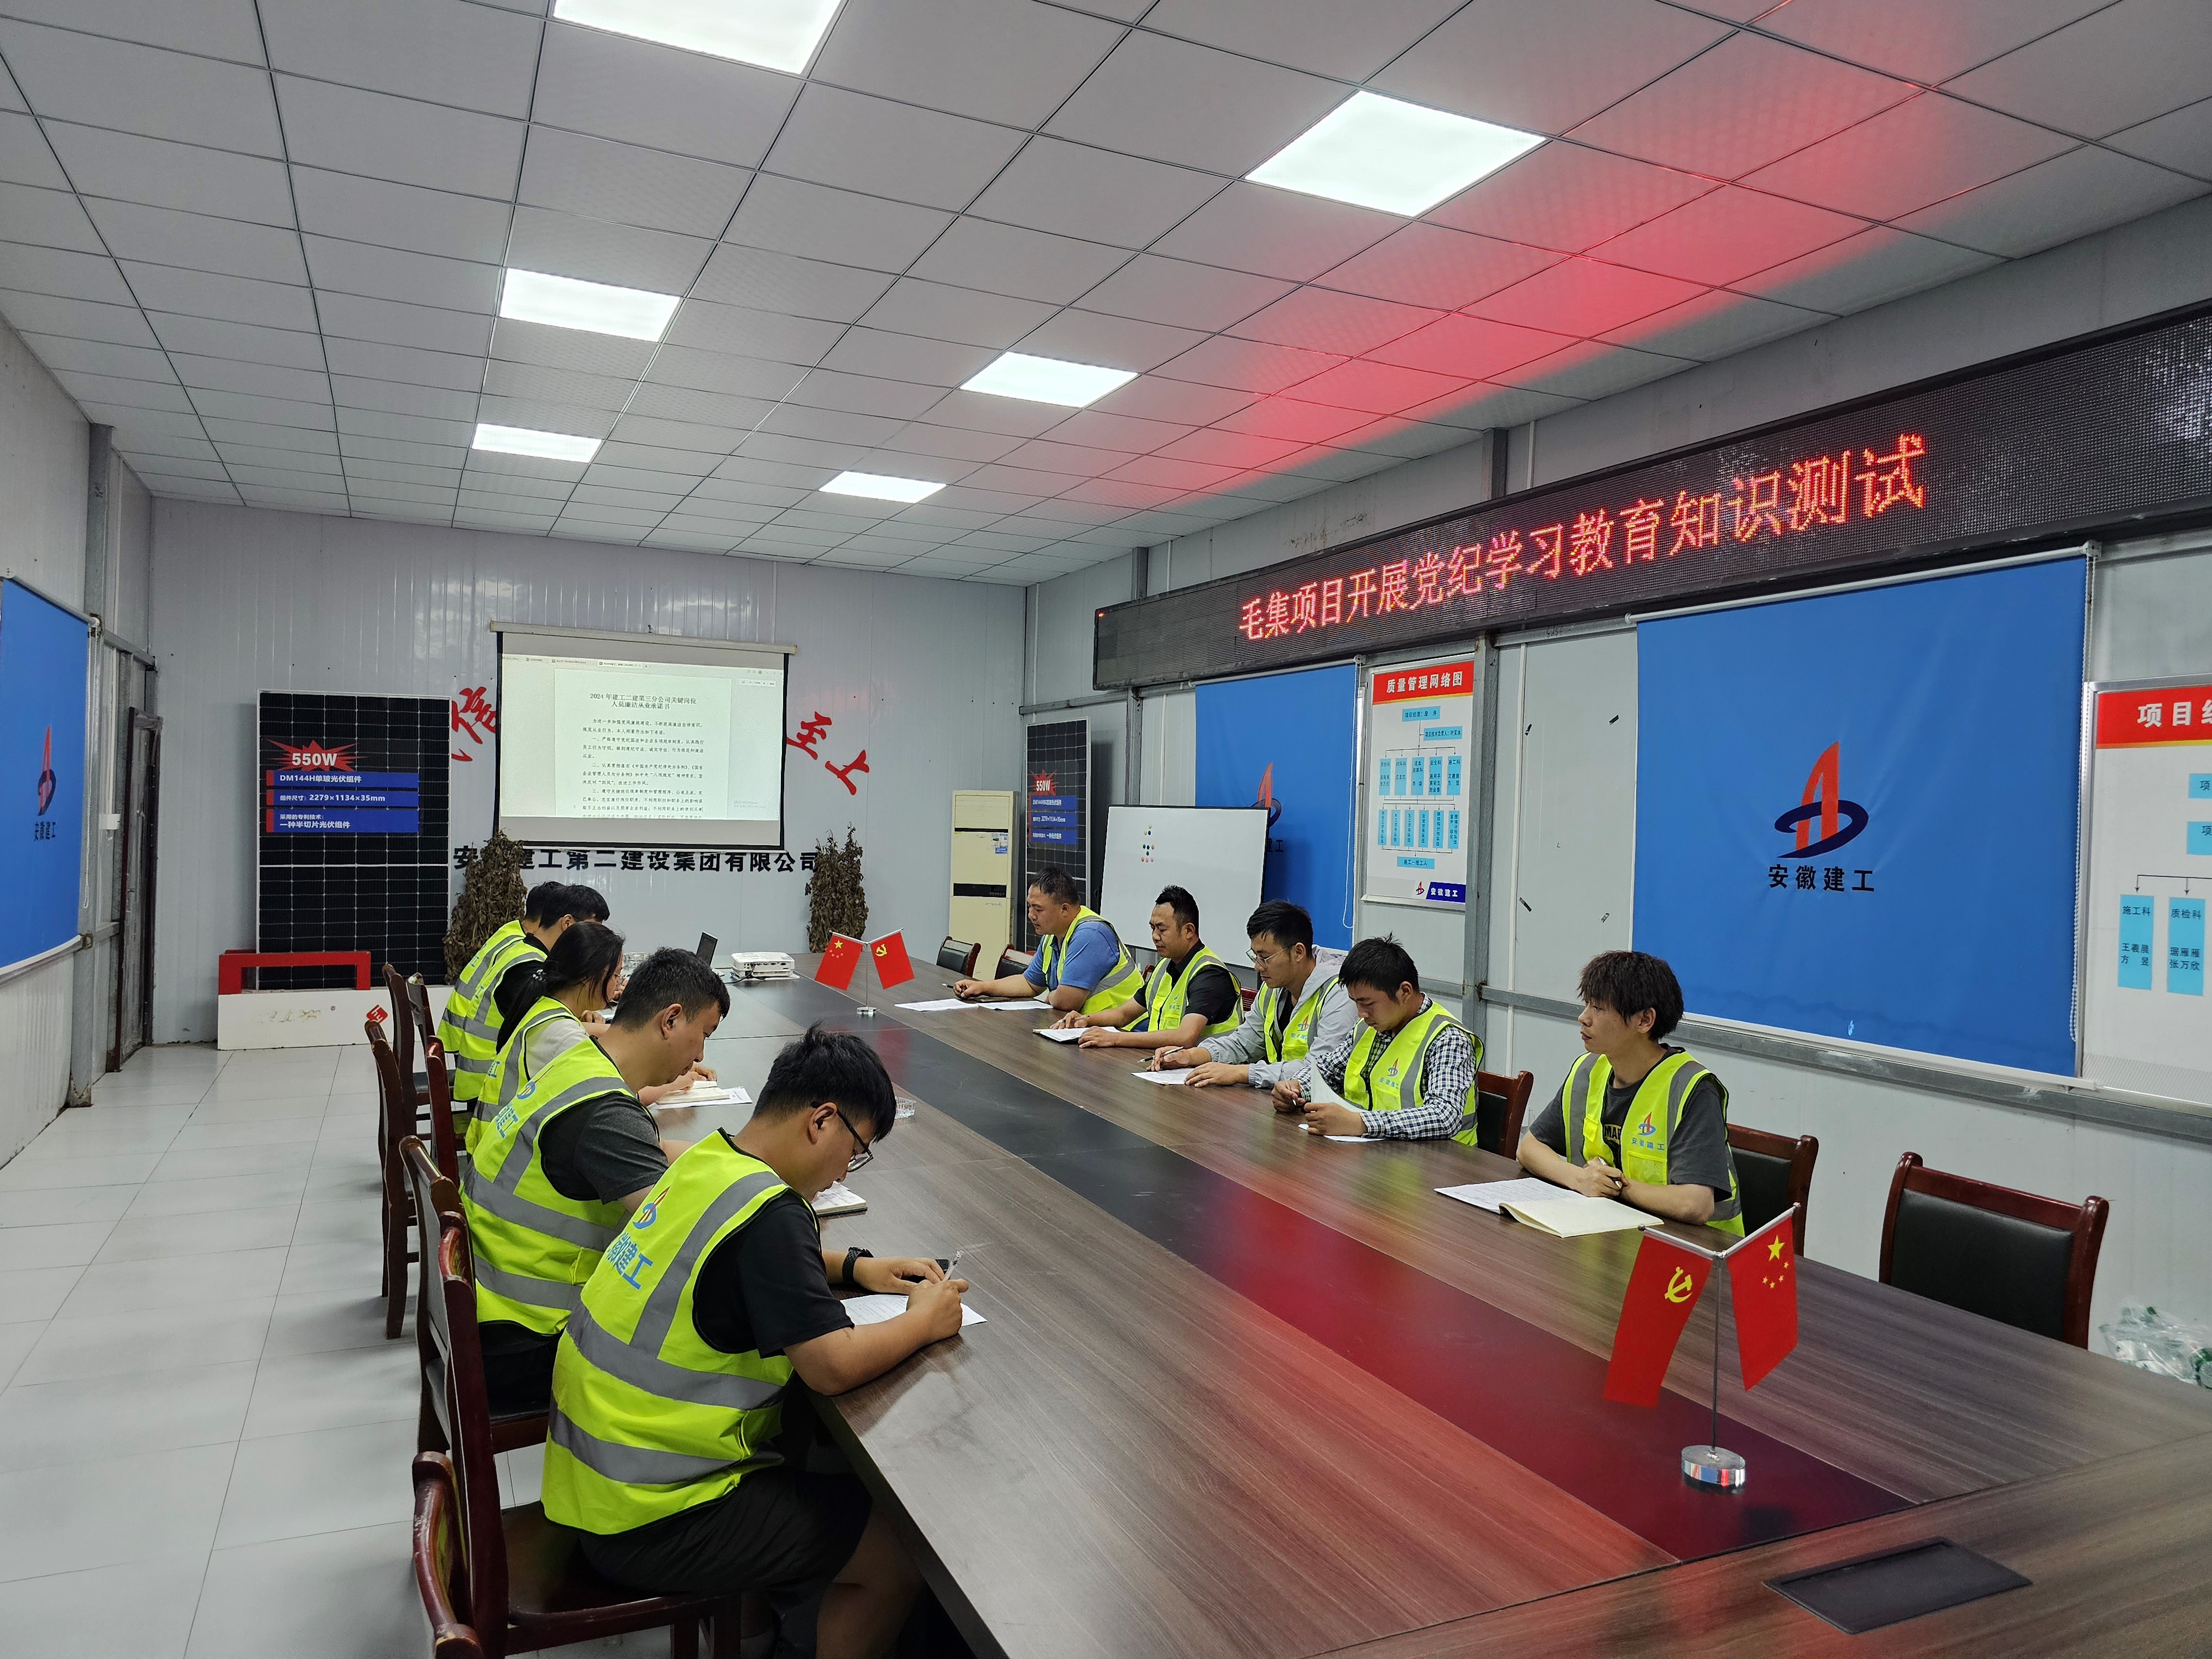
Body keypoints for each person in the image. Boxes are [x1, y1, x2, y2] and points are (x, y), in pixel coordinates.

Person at [542, 1025, 967, 1659]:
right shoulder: (773, 1213)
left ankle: (756, 1636)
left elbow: (745, 1255)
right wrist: (925, 1321)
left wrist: (856, 1267)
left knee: (809, 1461)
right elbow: (830, 1366)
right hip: (656, 1516)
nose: (843, 1172)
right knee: (897, 1559)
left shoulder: (710, 1162)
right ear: (821, 1121)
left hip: (595, 1484)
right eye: (856, 1150)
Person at [463, 945, 726, 1416]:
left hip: (490, 1310)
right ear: (670, 1020)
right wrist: (837, 1264)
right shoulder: (606, 1115)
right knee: (718, 1343)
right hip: (527, 1342)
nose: (700, 1055)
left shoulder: (580, 1063)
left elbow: (649, 1152)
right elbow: (685, 1235)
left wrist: (740, 1162)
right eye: (703, 1035)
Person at [1517, 950, 1744, 1232]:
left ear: (1645, 1020)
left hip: (1693, 1249)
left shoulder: (1691, 1088)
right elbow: (1529, 1148)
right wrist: (1580, 1179)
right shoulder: (1589, 1071)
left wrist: (1614, 1187)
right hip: (1610, 1231)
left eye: (1598, 1008)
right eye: (1587, 1005)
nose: (1583, 1018)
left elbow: (1694, 1204)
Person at [1272, 937, 1484, 1141]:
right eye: (1356, 1002)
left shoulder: (1448, 1039)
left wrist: (1361, 1123)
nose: (1361, 1013)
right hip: (1373, 1151)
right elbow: (1328, 1070)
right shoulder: (1368, 1027)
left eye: (1368, 1003)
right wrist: (1296, 1088)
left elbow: (1444, 1116)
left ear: (1404, 992)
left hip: (1440, 1161)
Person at [441, 881, 603, 1146]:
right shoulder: (529, 966)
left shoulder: (525, 950)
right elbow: (550, 1026)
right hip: (493, 1085)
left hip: (487, 1070)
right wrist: (618, 1029)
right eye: (592, 932)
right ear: (567, 924)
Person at [1154, 900, 1358, 1089]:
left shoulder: (1339, 993)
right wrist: (1190, 1056)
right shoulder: (1273, 988)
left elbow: (1320, 1069)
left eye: (1265, 957)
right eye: (1255, 956)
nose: (1257, 967)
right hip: (1284, 1097)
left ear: (1298, 952)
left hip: (1325, 1105)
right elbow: (1243, 1043)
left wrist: (1242, 1073)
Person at [1057, 885, 1241, 1053]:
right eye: (1153, 928)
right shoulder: (1165, 966)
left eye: (1162, 930)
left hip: (1206, 1071)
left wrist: (1114, 1038)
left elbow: (1186, 1037)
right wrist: (1085, 1020)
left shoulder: (1210, 975)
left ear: (1189, 931)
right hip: (1162, 1064)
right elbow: (1124, 1014)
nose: (1155, 936)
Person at [950, 867, 1144, 1017]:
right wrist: (983, 987)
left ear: (1064, 909)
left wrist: (1051, 996)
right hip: (1089, 1029)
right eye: (1029, 907)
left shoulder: (1091, 935)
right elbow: (1030, 983)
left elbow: (1067, 1002)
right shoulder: (1052, 935)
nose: (1031, 915)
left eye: (1038, 909)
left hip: (1125, 1032)